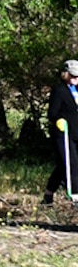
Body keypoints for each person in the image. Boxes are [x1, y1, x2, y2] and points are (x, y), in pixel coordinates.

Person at [44, 59, 78, 203]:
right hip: (63, 134)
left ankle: (48, 195)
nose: (75, 78)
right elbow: (52, 113)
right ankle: (76, 195)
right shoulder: (59, 91)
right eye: (72, 75)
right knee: (72, 163)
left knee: (62, 166)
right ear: (66, 74)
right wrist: (59, 120)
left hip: (77, 134)